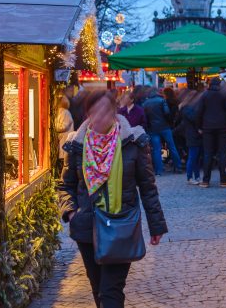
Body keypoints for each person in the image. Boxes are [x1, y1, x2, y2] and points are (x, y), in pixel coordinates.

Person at [58, 90, 168, 308]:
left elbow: (147, 187)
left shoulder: (133, 141)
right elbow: (65, 185)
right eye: (94, 111)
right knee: (98, 289)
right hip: (87, 227)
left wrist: (157, 226)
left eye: (105, 111)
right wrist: (71, 213)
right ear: (87, 113)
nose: (100, 117)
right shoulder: (76, 144)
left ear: (115, 112)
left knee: (111, 291)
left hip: (121, 225)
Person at [196, 78, 226, 188]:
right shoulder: (224, 95)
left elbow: (199, 111)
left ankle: (205, 180)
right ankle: (223, 180)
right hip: (222, 127)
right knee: (222, 153)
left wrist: (199, 126)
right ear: (220, 84)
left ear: (210, 84)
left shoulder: (205, 95)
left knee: (207, 153)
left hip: (207, 127)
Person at [142, 88, 183, 175]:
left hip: (153, 129)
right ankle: (178, 166)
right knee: (172, 147)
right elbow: (167, 113)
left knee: (156, 150)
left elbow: (145, 117)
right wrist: (170, 123)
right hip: (165, 127)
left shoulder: (146, 103)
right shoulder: (162, 101)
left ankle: (159, 171)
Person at [179, 90, 204, 184]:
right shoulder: (187, 108)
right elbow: (194, 118)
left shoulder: (187, 107)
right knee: (193, 156)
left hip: (194, 134)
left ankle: (196, 176)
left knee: (195, 157)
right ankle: (189, 177)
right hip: (192, 134)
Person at [56, 95, 74, 163]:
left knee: (64, 160)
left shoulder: (64, 112)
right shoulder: (63, 111)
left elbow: (64, 126)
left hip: (64, 140)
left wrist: (53, 127)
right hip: (63, 140)